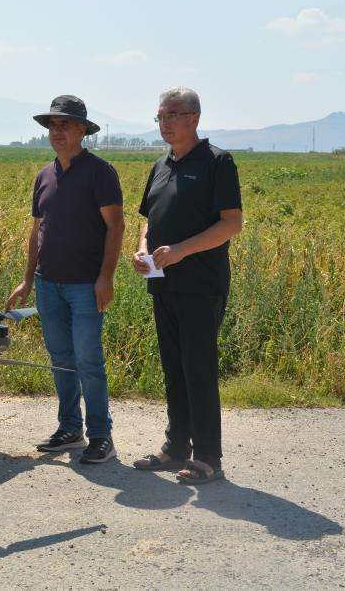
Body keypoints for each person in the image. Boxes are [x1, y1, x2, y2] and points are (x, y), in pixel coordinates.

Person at [130, 87, 243, 484]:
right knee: (174, 368)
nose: (165, 123)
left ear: (194, 117)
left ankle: (208, 457)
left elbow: (231, 223)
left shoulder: (217, 162)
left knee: (198, 368)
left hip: (201, 284)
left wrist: (181, 250)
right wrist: (143, 249)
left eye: (173, 115)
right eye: (160, 116)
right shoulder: (161, 165)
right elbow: (149, 219)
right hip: (163, 283)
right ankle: (176, 446)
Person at [7, 95, 124, 463]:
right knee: (61, 359)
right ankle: (70, 428)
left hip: (86, 285)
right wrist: (27, 279)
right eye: (53, 125)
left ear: (83, 131)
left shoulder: (100, 172)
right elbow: (37, 232)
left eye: (66, 125)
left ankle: (101, 435)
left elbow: (116, 227)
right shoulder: (45, 175)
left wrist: (106, 277)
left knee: (88, 360)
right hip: (48, 284)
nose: (57, 132)